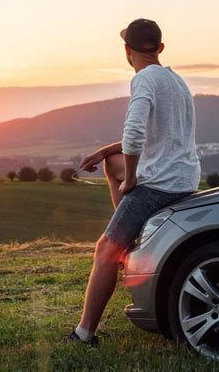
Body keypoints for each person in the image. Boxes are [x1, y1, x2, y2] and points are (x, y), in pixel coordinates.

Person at [62, 18, 201, 347]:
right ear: (160, 49)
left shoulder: (143, 80)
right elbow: (153, 137)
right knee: (113, 164)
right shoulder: (175, 80)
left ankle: (84, 334)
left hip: (159, 185)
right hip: (184, 177)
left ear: (127, 51)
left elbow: (135, 133)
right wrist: (105, 151)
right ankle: (129, 230)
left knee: (105, 250)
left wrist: (133, 179)